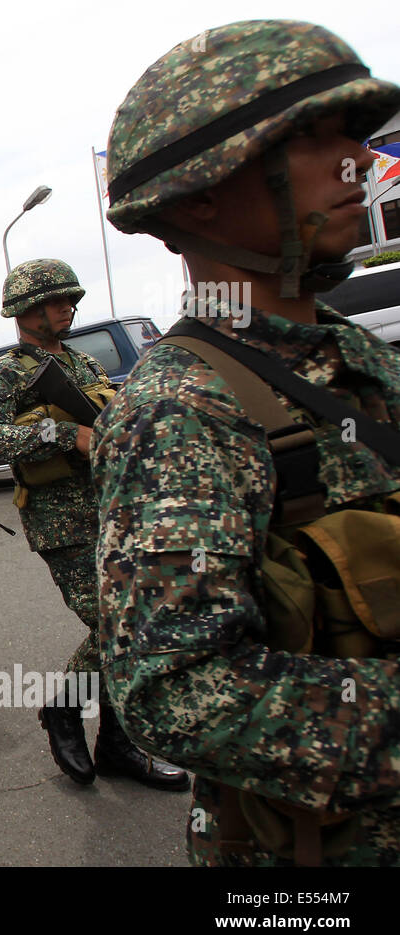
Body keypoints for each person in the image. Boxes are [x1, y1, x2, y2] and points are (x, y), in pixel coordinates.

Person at [97, 18, 400, 865]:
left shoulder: (360, 354)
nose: (361, 163)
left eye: (354, 135)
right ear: (201, 191)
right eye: (315, 140)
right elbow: (176, 691)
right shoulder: (181, 407)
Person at [0, 259, 187, 791]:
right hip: (61, 523)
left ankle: (115, 745)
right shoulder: (4, 374)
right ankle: (66, 710)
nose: (69, 306)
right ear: (26, 311)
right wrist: (63, 436)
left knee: (130, 626)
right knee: (117, 627)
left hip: (117, 513)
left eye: (72, 298)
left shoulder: (85, 364)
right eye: (56, 300)